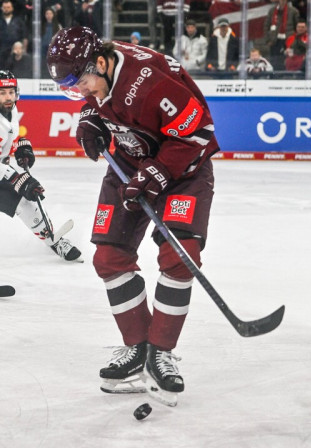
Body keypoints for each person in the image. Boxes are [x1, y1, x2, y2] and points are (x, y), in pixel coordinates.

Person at [46, 26, 219, 406]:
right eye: (73, 88)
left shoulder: (152, 84)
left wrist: (159, 172)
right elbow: (98, 94)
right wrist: (90, 114)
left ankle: (160, 352)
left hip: (182, 172)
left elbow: (200, 132)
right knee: (109, 257)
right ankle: (138, 348)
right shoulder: (102, 70)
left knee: (179, 256)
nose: (81, 92)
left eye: (82, 83)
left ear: (103, 63)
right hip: (128, 163)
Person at [0, 70, 82, 263]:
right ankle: (54, 242)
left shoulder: (7, 108)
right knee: (22, 201)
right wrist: (19, 180)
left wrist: (19, 145)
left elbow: (7, 135)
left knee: (28, 195)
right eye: (2, 93)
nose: (8, 97)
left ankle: (50, 234)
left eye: (11, 92)